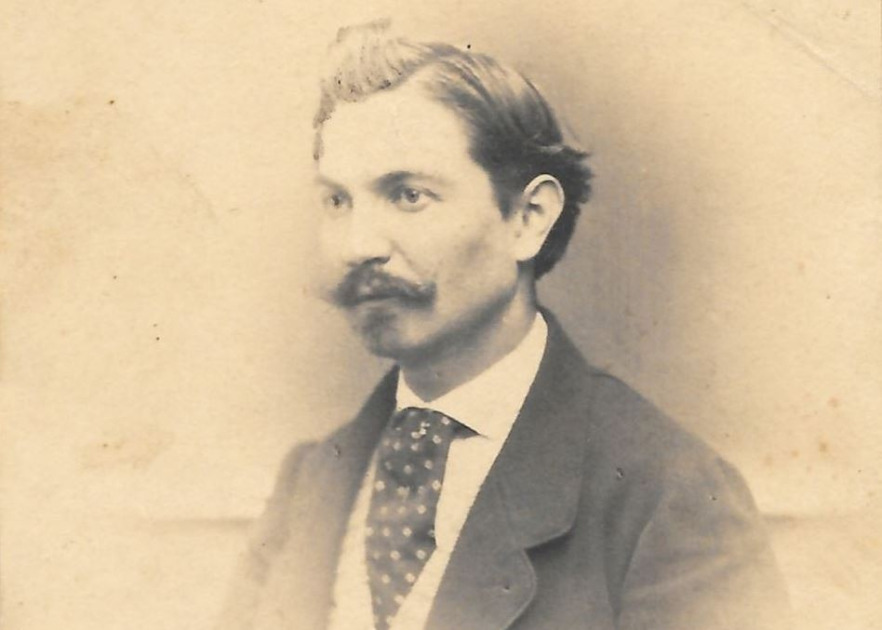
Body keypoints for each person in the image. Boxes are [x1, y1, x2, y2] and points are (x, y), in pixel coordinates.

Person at [218, 20, 790, 630]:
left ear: (528, 217)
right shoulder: (309, 483)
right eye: (338, 201)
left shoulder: (669, 495)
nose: (358, 245)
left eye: (408, 195)